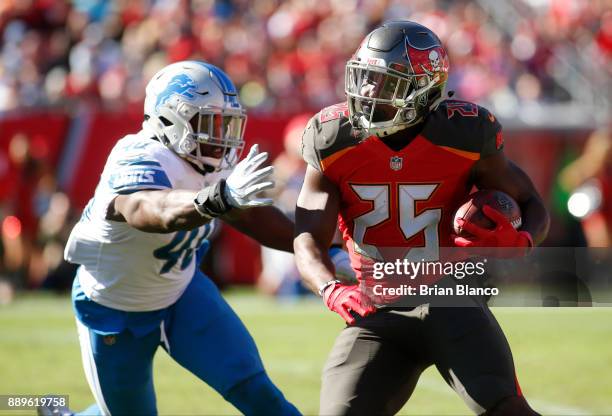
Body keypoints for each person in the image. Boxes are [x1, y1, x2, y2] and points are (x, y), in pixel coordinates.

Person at [293, 21, 550, 415]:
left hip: (452, 299)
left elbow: (532, 203)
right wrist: (331, 288)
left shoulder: (466, 132)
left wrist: (522, 240)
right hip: (376, 308)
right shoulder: (332, 136)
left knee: (505, 408)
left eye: (385, 82)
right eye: (365, 78)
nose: (366, 92)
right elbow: (307, 237)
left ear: (424, 90)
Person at [44, 61, 302, 416]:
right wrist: (219, 199)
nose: (222, 135)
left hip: (182, 293)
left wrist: (321, 247)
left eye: (226, 122)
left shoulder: (211, 160)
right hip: (115, 308)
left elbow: (251, 216)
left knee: (259, 394)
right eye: (210, 122)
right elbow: (151, 210)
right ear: (170, 119)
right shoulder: (138, 155)